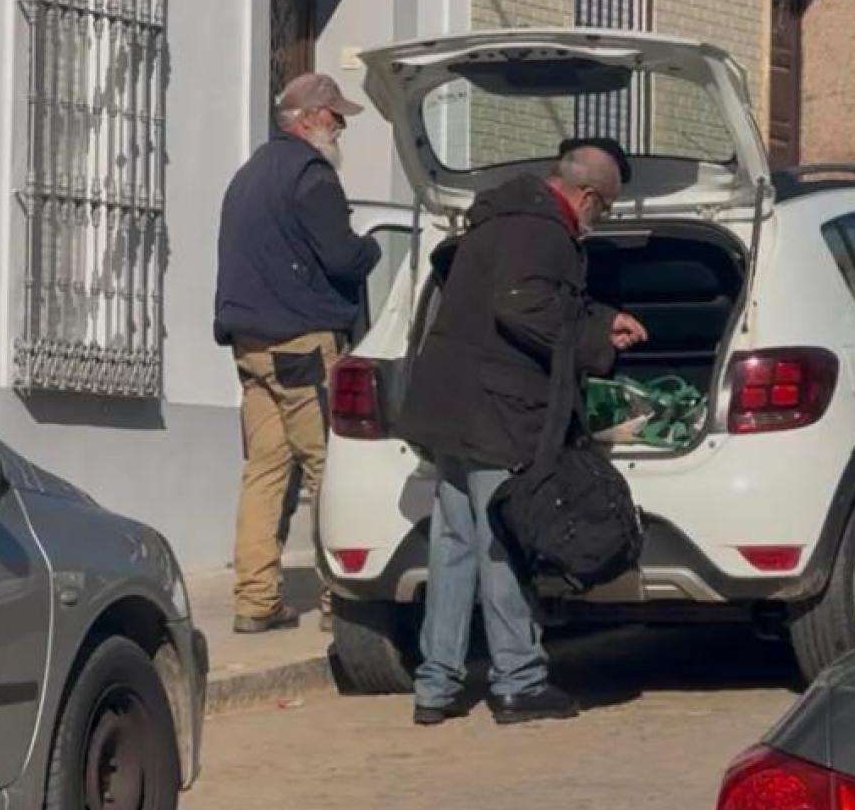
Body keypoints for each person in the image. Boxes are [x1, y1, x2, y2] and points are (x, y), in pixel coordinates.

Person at [395, 138, 648, 725]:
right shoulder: (542, 231)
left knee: (453, 546)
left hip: (452, 411)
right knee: (503, 540)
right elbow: (522, 307)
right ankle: (519, 680)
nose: (597, 221)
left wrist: (600, 318)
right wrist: (592, 343)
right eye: (604, 208)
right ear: (586, 196)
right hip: (498, 412)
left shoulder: (497, 220)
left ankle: (436, 685)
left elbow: (534, 299)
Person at [213, 73, 383, 634]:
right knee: (328, 471)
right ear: (309, 119)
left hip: (250, 345)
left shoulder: (248, 176)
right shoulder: (312, 176)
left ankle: (255, 598)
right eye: (337, 119)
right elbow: (341, 258)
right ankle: (342, 602)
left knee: (263, 471)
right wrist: (371, 250)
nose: (341, 129)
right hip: (302, 342)